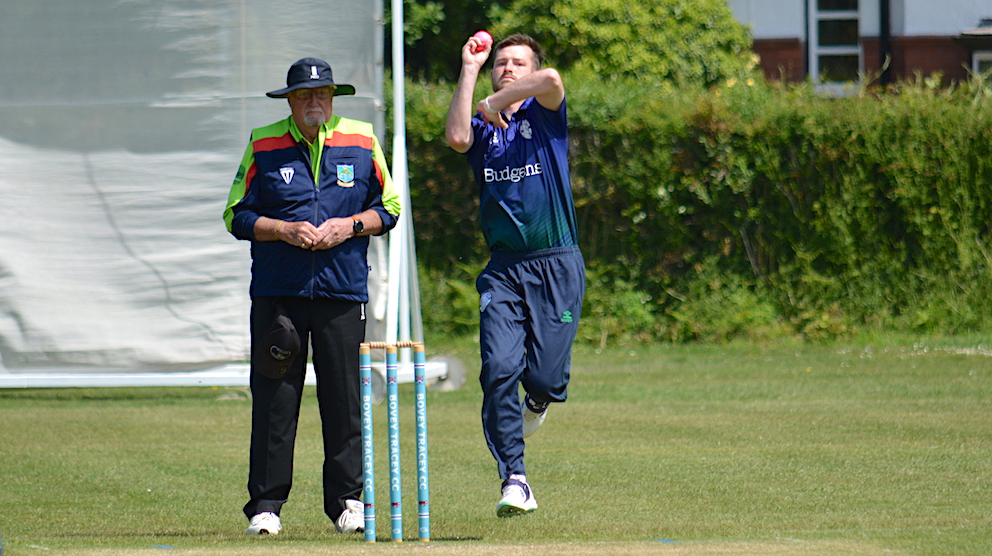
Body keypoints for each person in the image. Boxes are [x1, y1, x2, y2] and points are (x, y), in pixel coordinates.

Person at [223, 57, 401, 536]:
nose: (315, 101)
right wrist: (281, 229)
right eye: (305, 95)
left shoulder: (362, 138)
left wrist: (349, 226)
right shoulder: (264, 143)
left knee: (344, 402)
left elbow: (390, 208)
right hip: (279, 295)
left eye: (323, 94)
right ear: (291, 101)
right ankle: (265, 506)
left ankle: (348, 502)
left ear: (333, 98)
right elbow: (235, 215)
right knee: (276, 401)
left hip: (342, 292)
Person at [445, 34, 585, 517]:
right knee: (499, 369)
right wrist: (469, 68)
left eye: (516, 62)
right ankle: (515, 478)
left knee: (544, 378)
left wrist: (494, 99)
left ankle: (540, 401)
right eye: (500, 63)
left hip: (556, 262)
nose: (507, 68)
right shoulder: (485, 129)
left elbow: (550, 80)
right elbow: (457, 136)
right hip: (503, 270)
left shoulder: (545, 116)